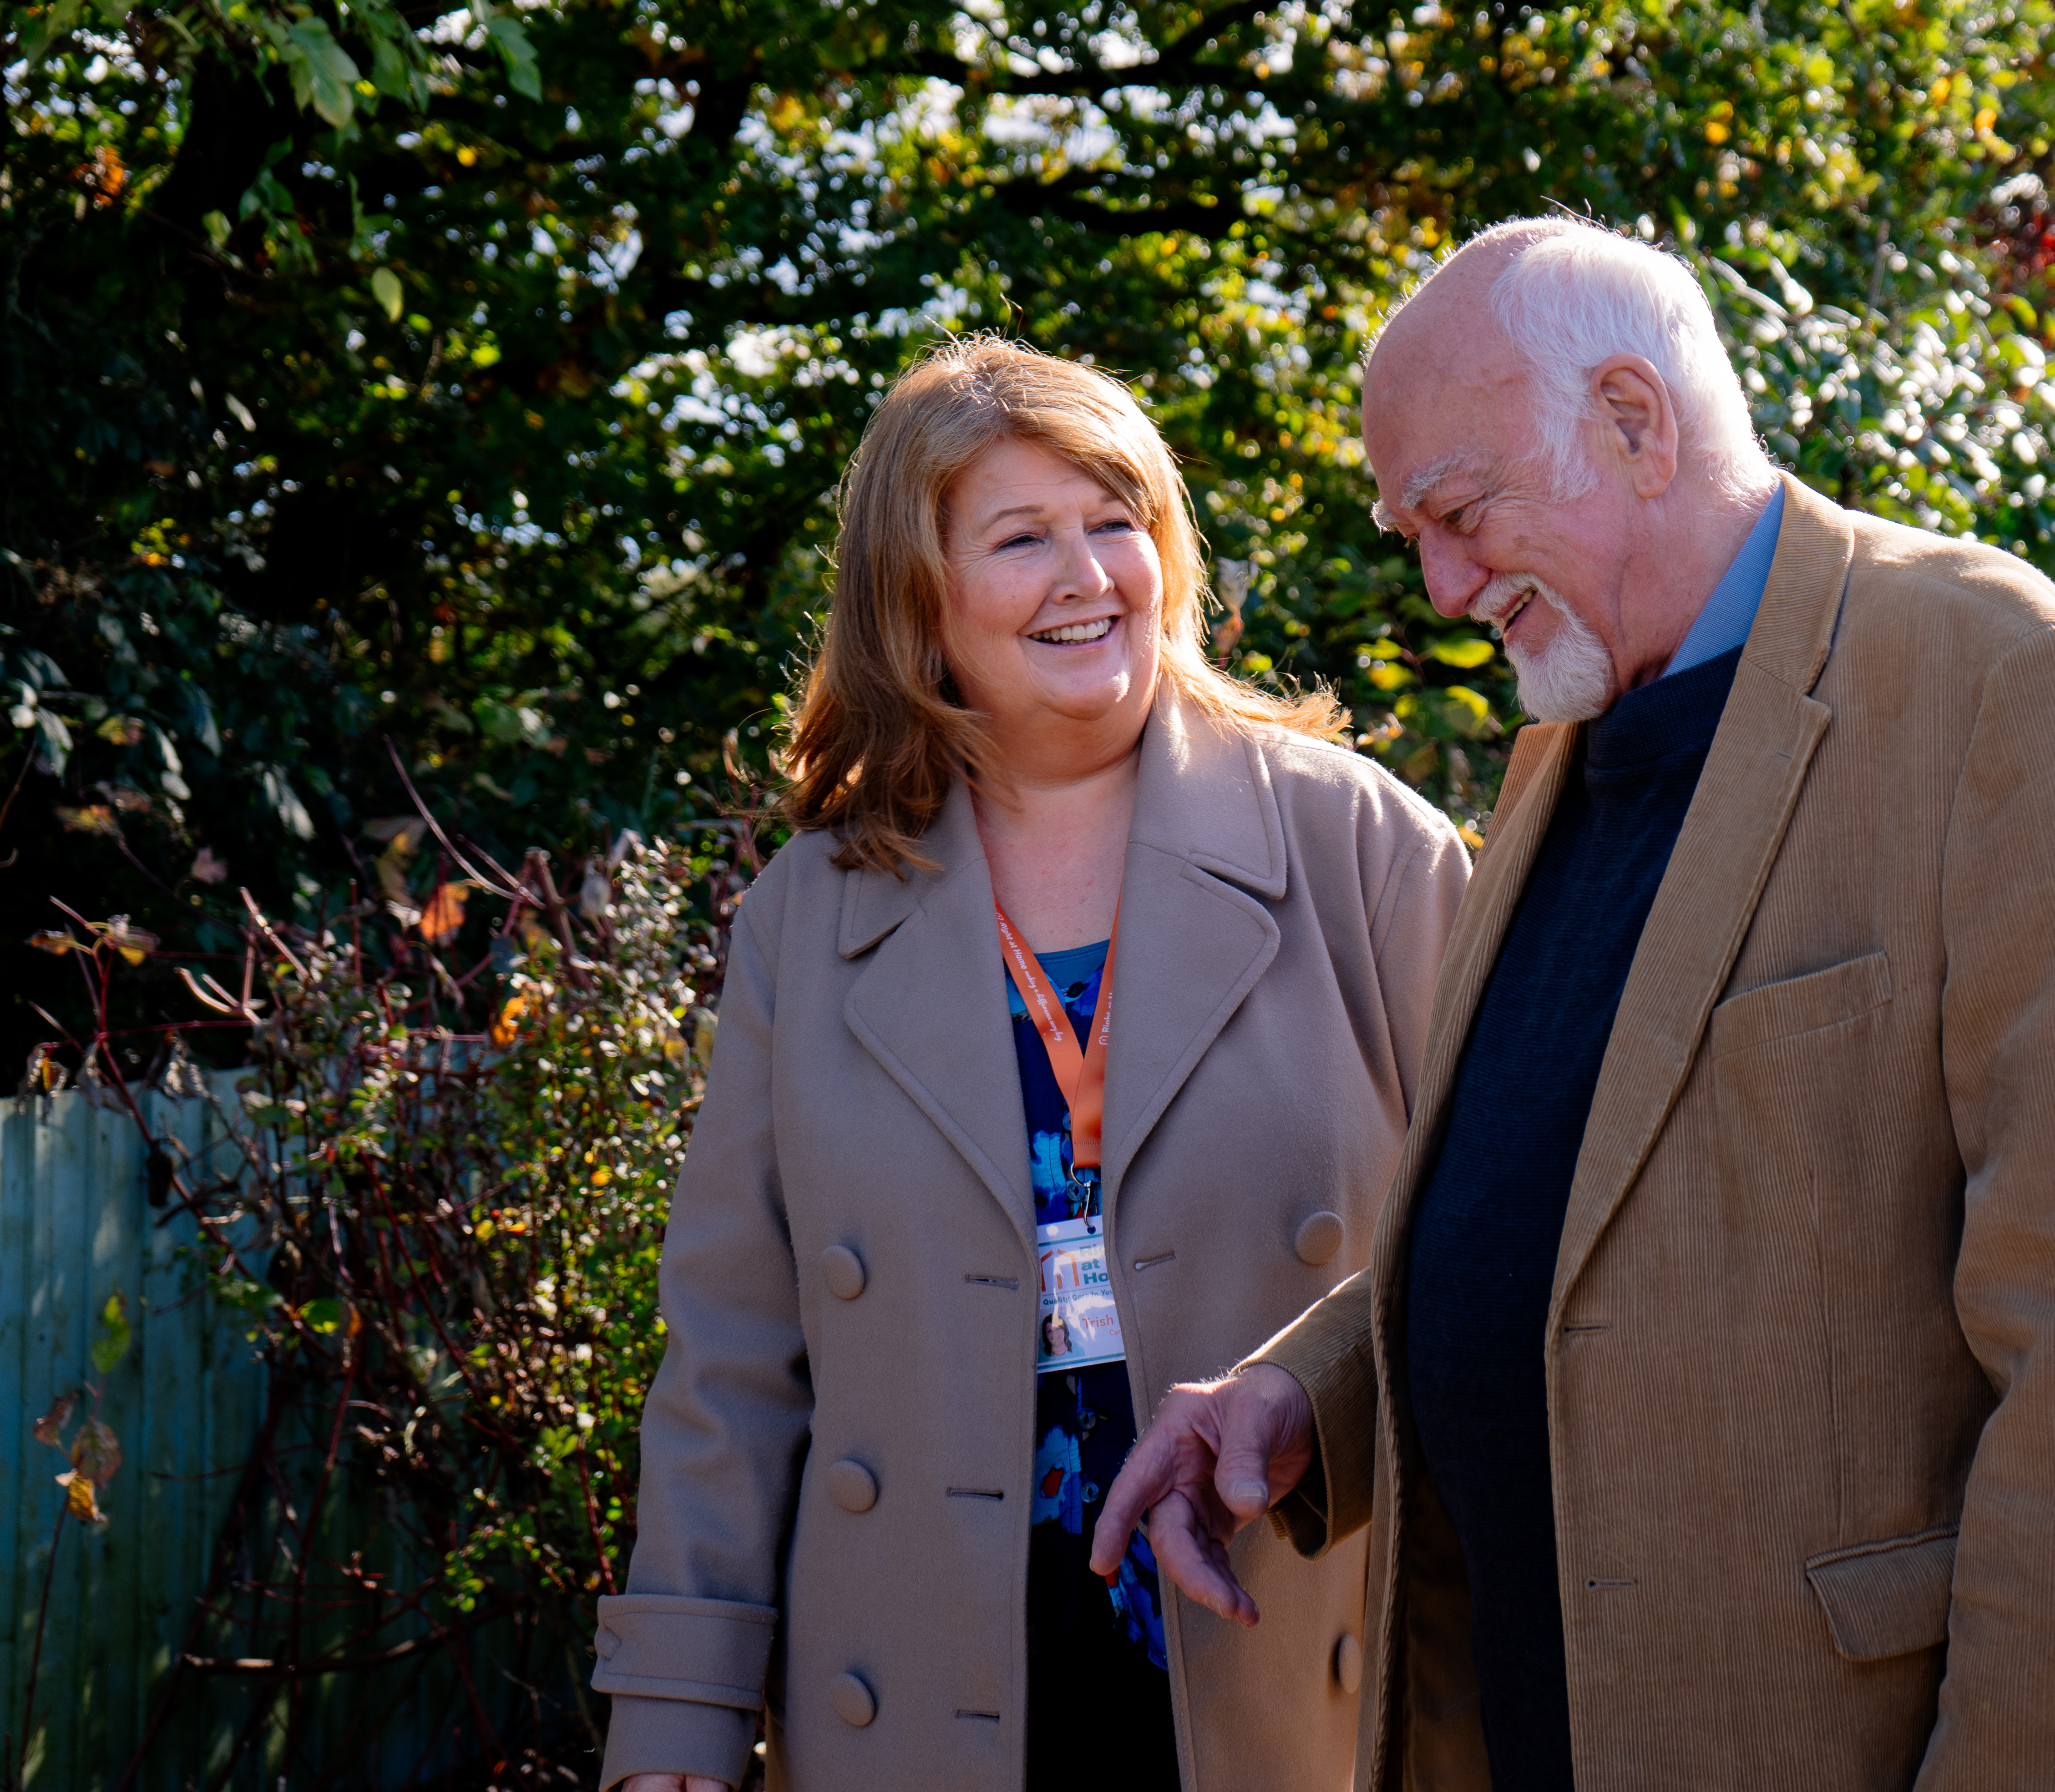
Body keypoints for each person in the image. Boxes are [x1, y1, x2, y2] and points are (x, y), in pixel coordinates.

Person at [1093, 220, 2055, 1791]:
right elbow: (1585, 1203)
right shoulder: (1575, 734)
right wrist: (1309, 1392)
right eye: (1418, 531)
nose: (1443, 583)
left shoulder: (1983, 673)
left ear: (1636, 418)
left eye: (1463, 514)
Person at [592, 339, 1470, 1792]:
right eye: (1022, 539)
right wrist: (675, 1718)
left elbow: (1504, 1237)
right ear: (915, 601)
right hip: (920, 1678)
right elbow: (732, 1357)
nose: (1088, 575)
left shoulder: (1359, 847)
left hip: (1285, 1640)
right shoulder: (810, 918)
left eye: (1116, 519)